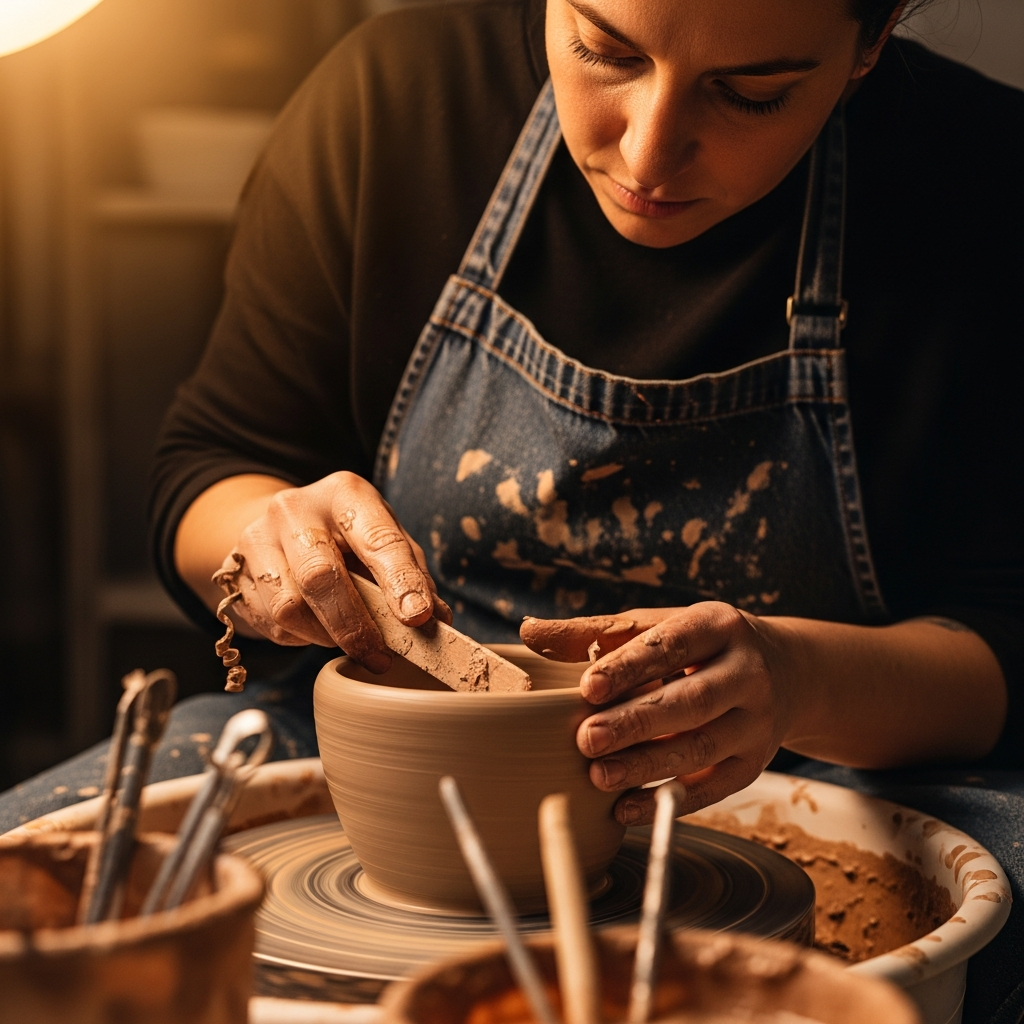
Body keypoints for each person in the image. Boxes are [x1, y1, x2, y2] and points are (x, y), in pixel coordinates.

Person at [1, 0, 1020, 1019]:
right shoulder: (400, 99)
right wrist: (272, 541)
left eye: (751, 93)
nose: (648, 151)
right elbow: (217, 461)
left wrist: (794, 677)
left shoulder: (984, 178)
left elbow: (1008, 635)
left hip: (824, 759)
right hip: (380, 750)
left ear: (869, 43)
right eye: (604, 50)